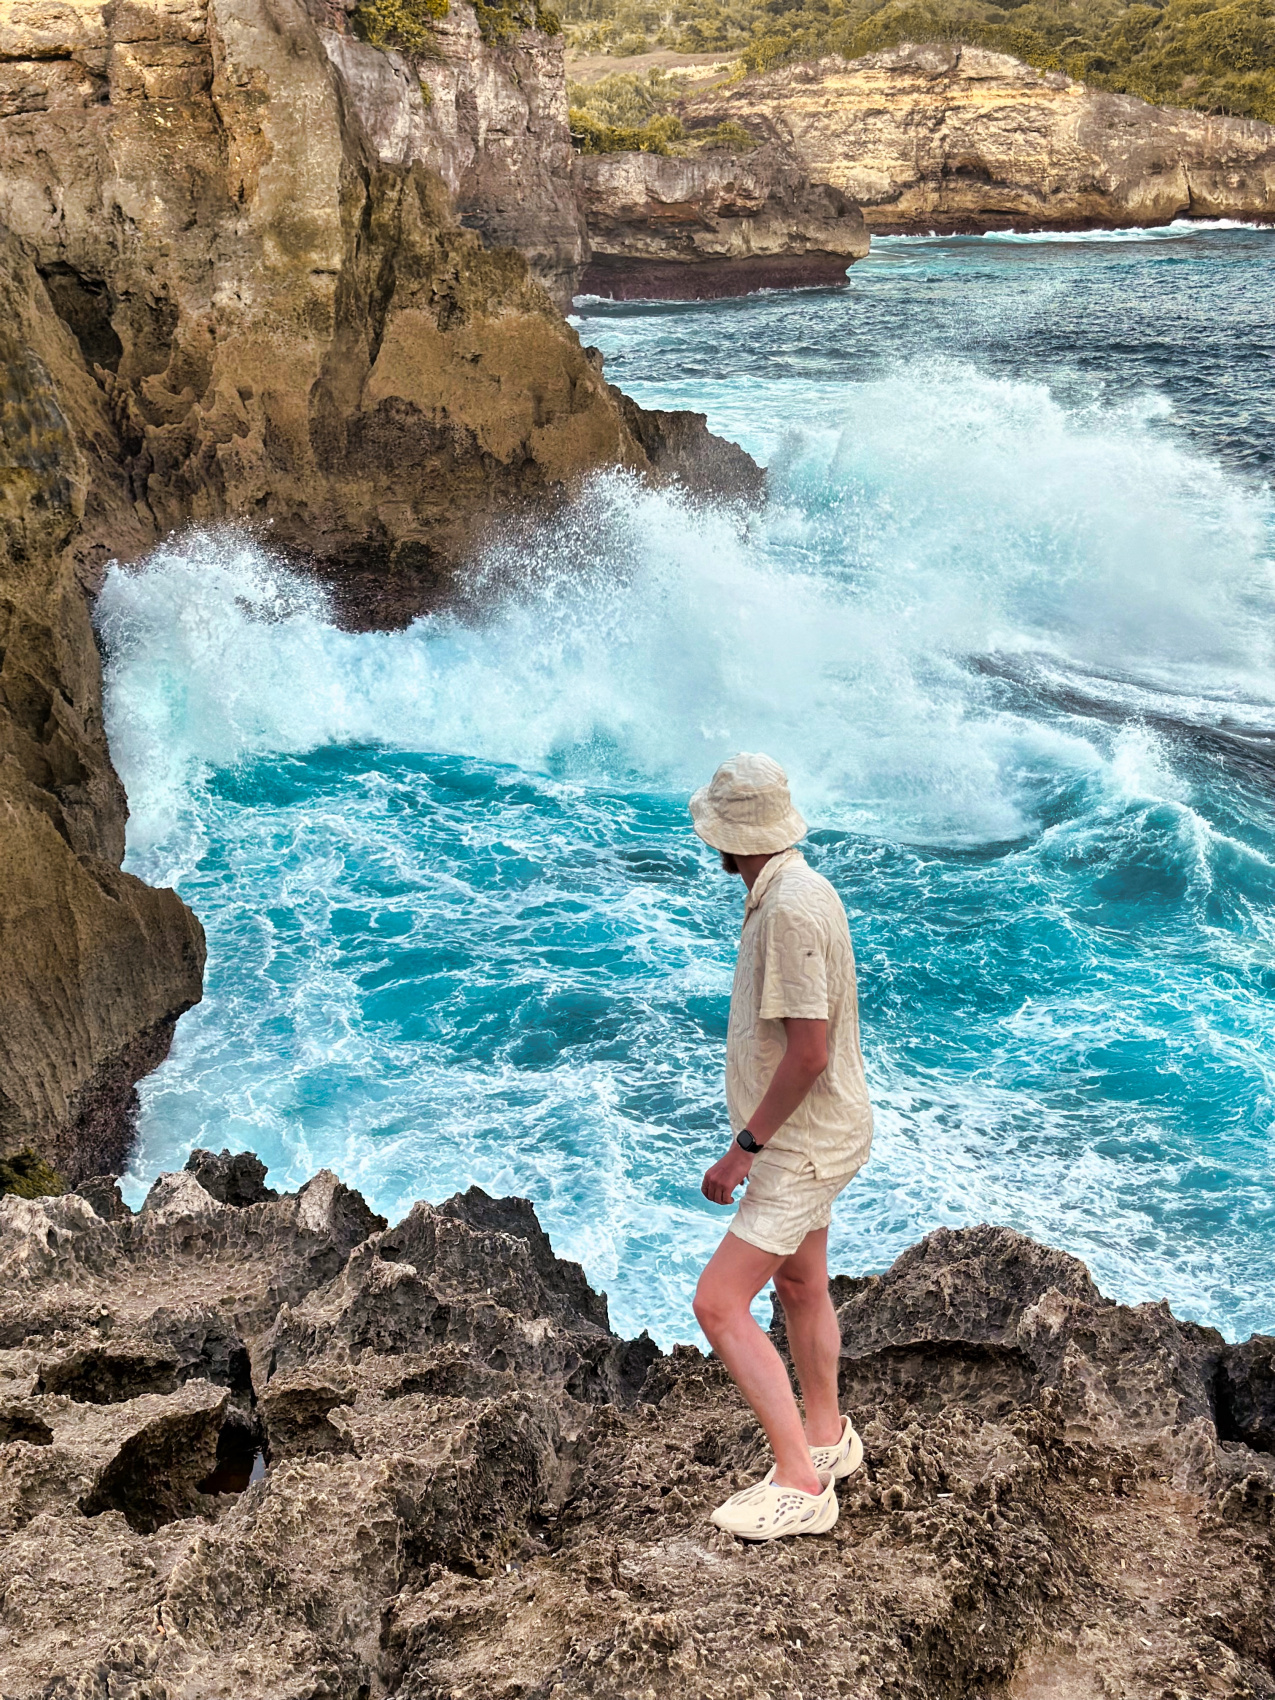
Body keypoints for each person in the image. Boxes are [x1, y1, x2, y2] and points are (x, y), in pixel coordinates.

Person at [688, 752, 873, 1542]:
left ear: (732, 834)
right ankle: (827, 1438)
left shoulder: (789, 909)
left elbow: (808, 1052)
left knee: (718, 1303)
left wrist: (744, 1149)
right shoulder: (795, 888)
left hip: (798, 1144)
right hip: (818, 1132)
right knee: (800, 1286)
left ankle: (800, 1482)